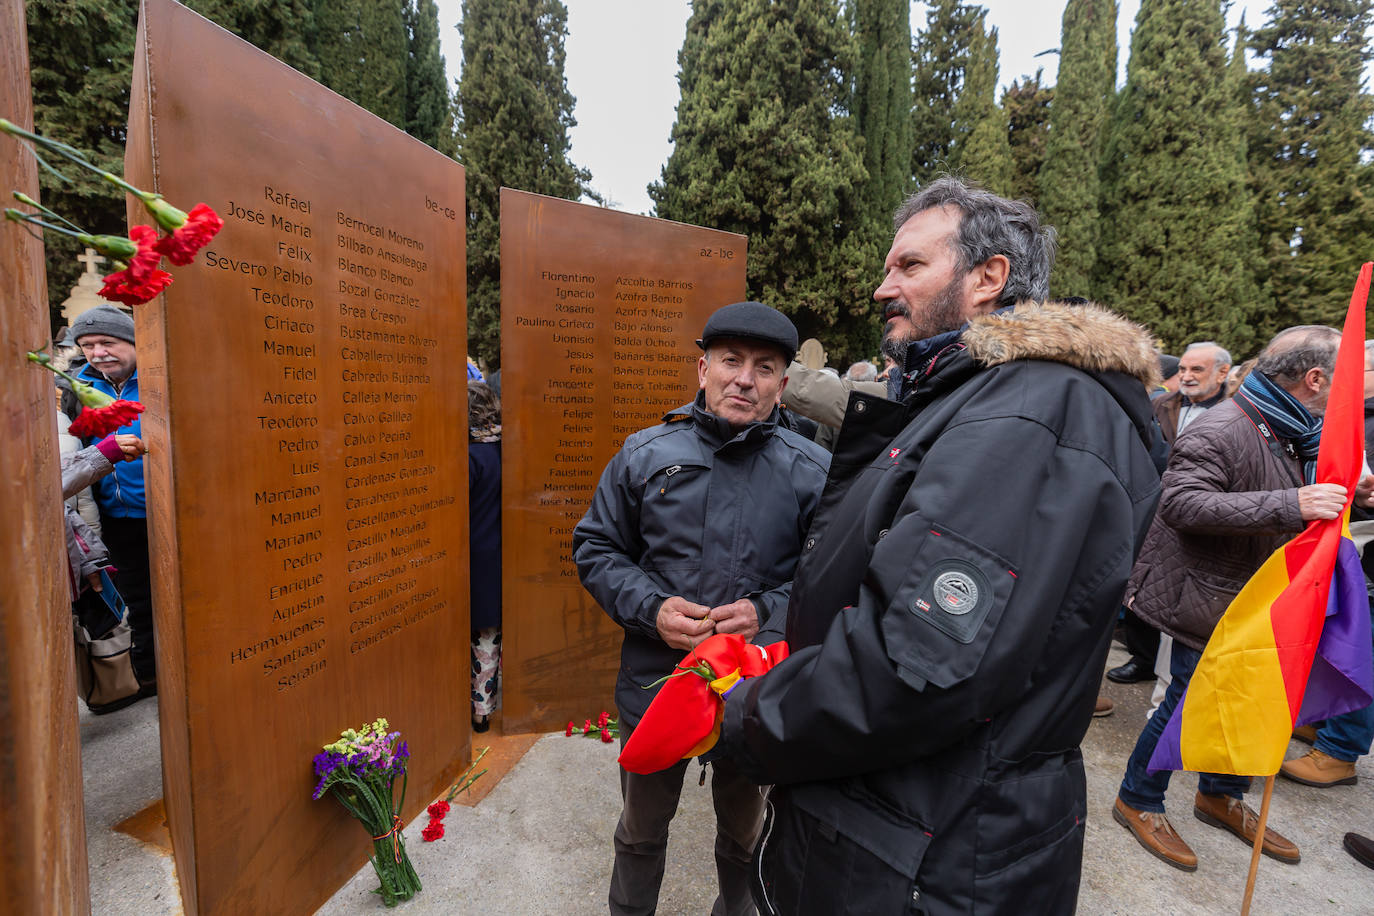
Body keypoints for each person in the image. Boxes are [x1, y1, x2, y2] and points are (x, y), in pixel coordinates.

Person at [711, 178, 1162, 913]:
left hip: (930, 854)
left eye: (910, 267)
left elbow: (915, 669)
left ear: (989, 278)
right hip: (899, 826)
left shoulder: (1031, 414)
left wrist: (744, 717)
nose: (883, 287)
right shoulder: (979, 397)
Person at [573, 301, 829, 916]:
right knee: (640, 832)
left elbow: (829, 581)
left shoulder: (812, 472)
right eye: (731, 361)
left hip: (751, 695)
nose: (745, 378)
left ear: (783, 385)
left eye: (764, 367)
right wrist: (653, 608)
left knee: (745, 839)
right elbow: (597, 546)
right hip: (655, 687)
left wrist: (768, 610)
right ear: (702, 369)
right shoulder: (644, 454)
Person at [1114, 325, 1374, 872]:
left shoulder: (1299, 428)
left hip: (1262, 596)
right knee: (1190, 701)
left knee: (1254, 699)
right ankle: (1137, 800)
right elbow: (1183, 505)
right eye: (1346, 380)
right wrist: (1293, 502)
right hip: (1208, 595)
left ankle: (1219, 797)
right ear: (1315, 378)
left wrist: (1350, 487)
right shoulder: (1224, 427)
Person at [1109, 340, 1235, 687]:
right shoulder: (1158, 403)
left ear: (1223, 372)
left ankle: (1177, 668)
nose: (1186, 376)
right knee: (1142, 580)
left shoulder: (1235, 412)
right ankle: (1143, 658)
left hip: (1202, 513)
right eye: (1182, 369)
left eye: (1197, 369)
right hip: (1151, 505)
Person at [1277, 338, 1374, 788]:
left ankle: (1339, 751)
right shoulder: (1356, 414)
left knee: (1360, 645)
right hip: (1348, 539)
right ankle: (1323, 718)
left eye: (1359, 369)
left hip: (1366, 549)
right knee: (1332, 636)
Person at [70, 305, 157, 692]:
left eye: (108, 341)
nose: (98, 352)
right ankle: (148, 674)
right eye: (88, 345)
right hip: (117, 516)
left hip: (162, 510)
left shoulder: (157, 381)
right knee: (136, 600)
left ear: (133, 342)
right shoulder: (76, 390)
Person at [468, 381, 502, 733]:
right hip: (498, 556)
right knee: (488, 638)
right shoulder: (503, 452)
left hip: (472, 556)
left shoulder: (468, 457)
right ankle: (483, 711)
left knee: (474, 633)